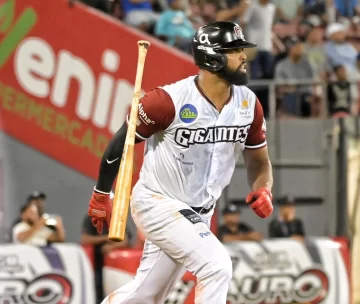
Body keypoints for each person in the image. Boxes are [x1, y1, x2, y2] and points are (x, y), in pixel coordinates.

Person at [88, 21, 274, 304]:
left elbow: (259, 162)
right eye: (234, 50)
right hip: (157, 202)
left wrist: (264, 188)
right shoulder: (168, 101)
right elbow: (121, 143)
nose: (243, 56)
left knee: (146, 295)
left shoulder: (249, 104)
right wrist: (102, 194)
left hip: (199, 212)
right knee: (216, 266)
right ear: (212, 57)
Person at [81, 193, 131, 304]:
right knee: (96, 291)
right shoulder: (92, 217)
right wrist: (107, 238)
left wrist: (111, 246)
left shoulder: (117, 218)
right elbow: (85, 239)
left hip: (114, 267)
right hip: (95, 263)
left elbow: (125, 239)